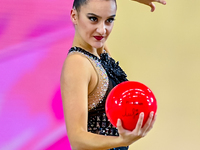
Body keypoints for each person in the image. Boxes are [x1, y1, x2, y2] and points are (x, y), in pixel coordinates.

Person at [60, 0, 166, 149]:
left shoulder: (98, 51)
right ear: (74, 16)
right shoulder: (78, 63)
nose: (102, 30)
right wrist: (122, 141)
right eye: (93, 19)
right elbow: (77, 139)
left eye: (109, 20)